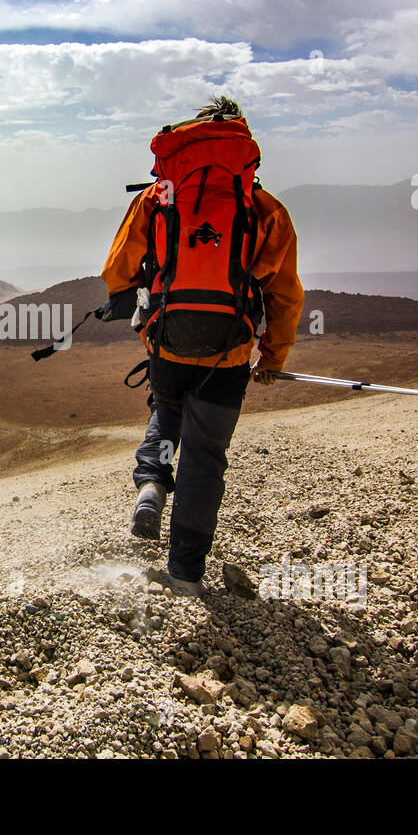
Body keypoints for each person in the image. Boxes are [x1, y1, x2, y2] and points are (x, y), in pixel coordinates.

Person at [101, 96, 303, 596]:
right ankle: (186, 574)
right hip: (229, 352)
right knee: (206, 456)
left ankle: (151, 482)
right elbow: (285, 293)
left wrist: (131, 300)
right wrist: (272, 357)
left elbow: (118, 267)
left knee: (167, 410)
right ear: (244, 145)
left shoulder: (158, 197)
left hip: (168, 341)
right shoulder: (263, 208)